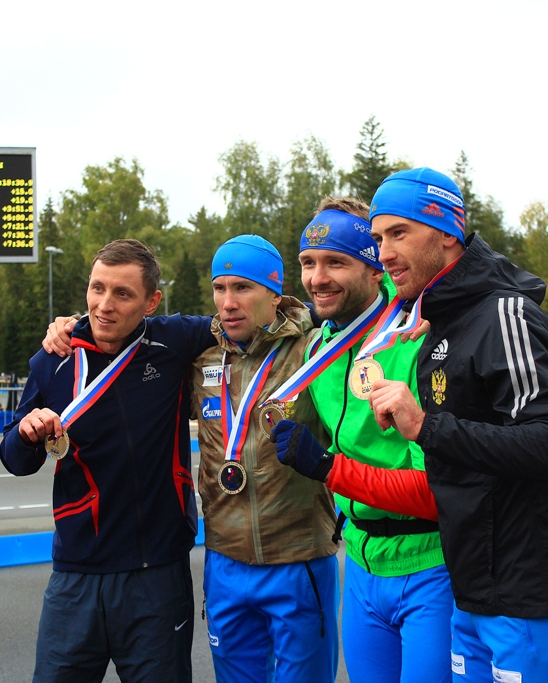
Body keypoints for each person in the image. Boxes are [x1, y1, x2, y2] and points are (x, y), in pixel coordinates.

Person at [277, 169, 548, 683]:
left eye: (398, 234)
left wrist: (422, 429)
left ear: (448, 232)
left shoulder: (503, 313)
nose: (385, 253)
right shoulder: (434, 326)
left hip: (519, 587)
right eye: (379, 238)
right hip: (470, 584)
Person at [0, 239, 216, 683]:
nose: (104, 305)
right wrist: (25, 434)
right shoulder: (53, 360)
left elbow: (242, 317)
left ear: (151, 302)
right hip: (75, 577)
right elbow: (14, 459)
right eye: (97, 288)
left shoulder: (173, 342)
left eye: (122, 293)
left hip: (156, 577)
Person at [273, 197, 453, 683]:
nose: (317, 278)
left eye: (336, 262)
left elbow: (435, 491)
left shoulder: (418, 337)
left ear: (376, 270)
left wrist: (327, 467)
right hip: (359, 562)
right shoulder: (316, 348)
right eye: (307, 263)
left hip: (430, 564)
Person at [192, 235, 339, 683]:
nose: (228, 302)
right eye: (220, 288)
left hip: (299, 559)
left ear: (275, 294)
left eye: (243, 287)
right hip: (225, 561)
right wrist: (68, 328)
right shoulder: (200, 359)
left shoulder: (316, 349)